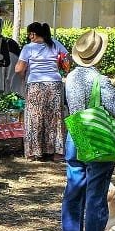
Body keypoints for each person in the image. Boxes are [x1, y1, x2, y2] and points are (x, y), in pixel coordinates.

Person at [60, 30, 115, 231]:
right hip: (96, 137)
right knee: (96, 197)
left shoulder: (71, 78)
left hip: (75, 134)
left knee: (74, 191)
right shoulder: (101, 80)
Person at [15, 22, 68, 162]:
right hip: (55, 84)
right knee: (55, 118)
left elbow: (19, 69)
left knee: (34, 117)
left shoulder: (28, 48)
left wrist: (24, 75)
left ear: (32, 34)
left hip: (35, 85)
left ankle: (34, 153)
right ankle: (56, 152)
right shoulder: (55, 44)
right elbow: (67, 60)